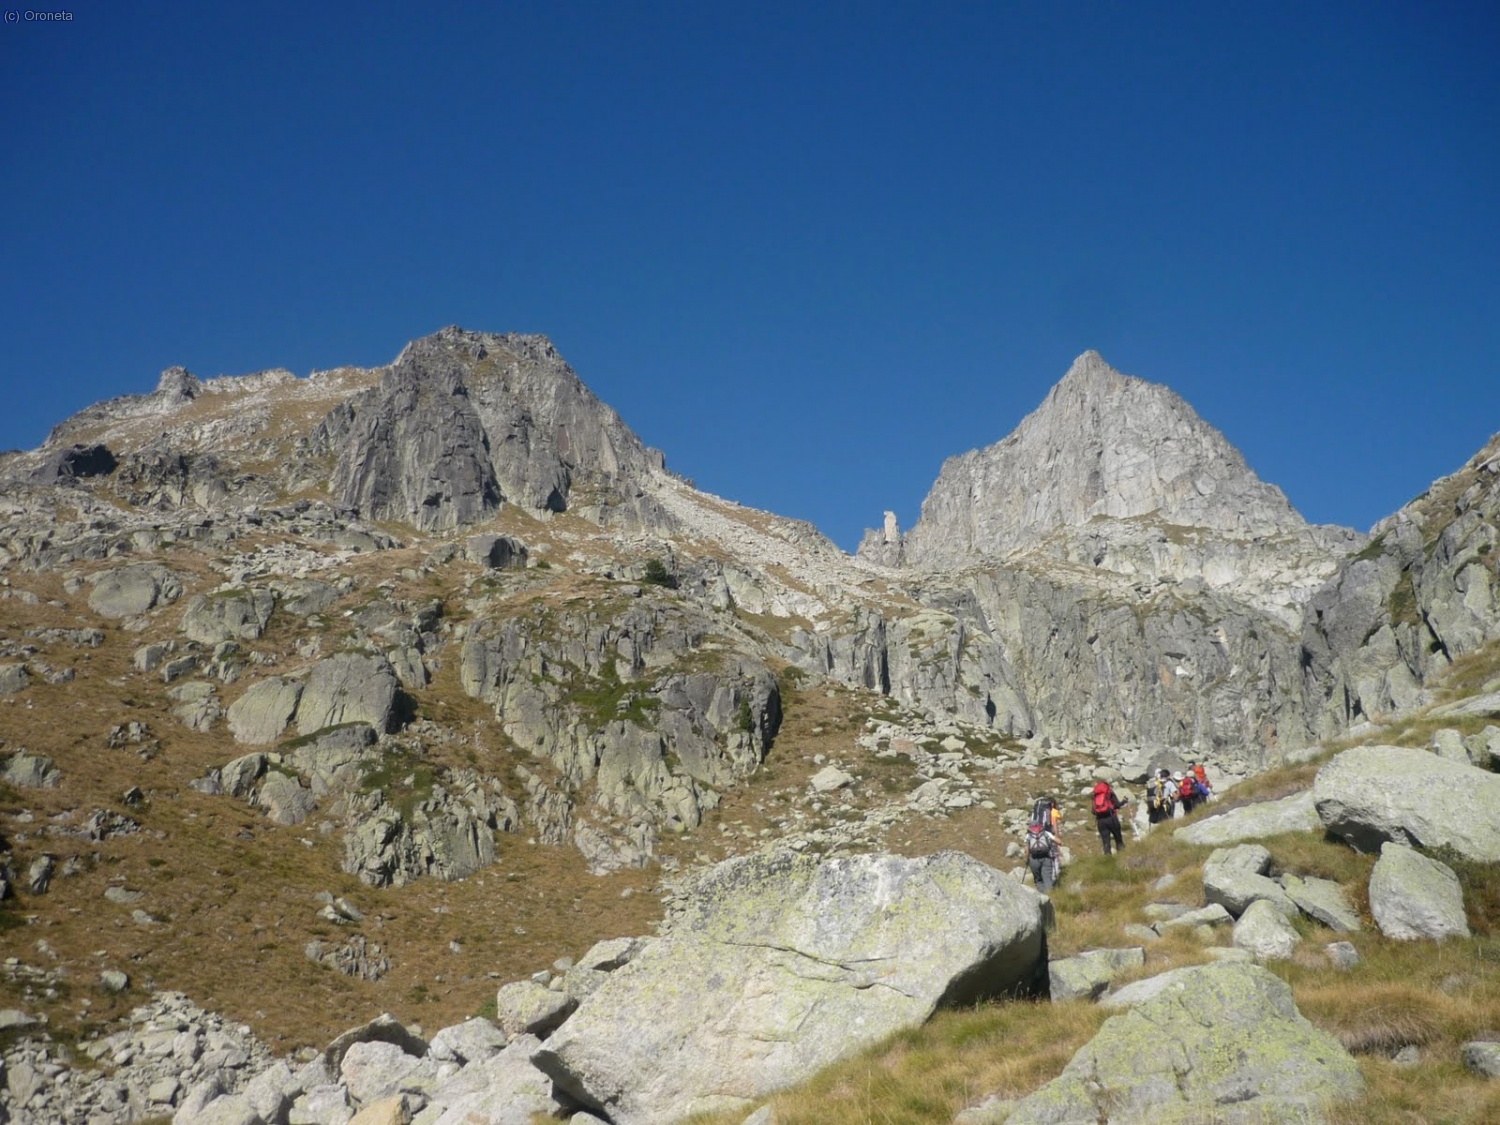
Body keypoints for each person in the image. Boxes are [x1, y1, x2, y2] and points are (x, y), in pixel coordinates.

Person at [1024, 815, 1061, 892]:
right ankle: (1050, 896)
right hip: (1046, 858)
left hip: (1034, 860)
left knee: (1038, 880)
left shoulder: (1028, 835)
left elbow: (1027, 850)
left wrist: (1026, 860)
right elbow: (1059, 842)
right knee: (1047, 879)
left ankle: (1042, 896)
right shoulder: (1045, 832)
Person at [1092, 779, 1127, 855]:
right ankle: (1122, 857)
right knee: (1118, 840)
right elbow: (1118, 805)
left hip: (1101, 821)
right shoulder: (1109, 793)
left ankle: (1108, 861)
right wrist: (1124, 801)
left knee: (1106, 842)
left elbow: (1093, 811)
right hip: (1111, 818)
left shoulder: (1095, 795)